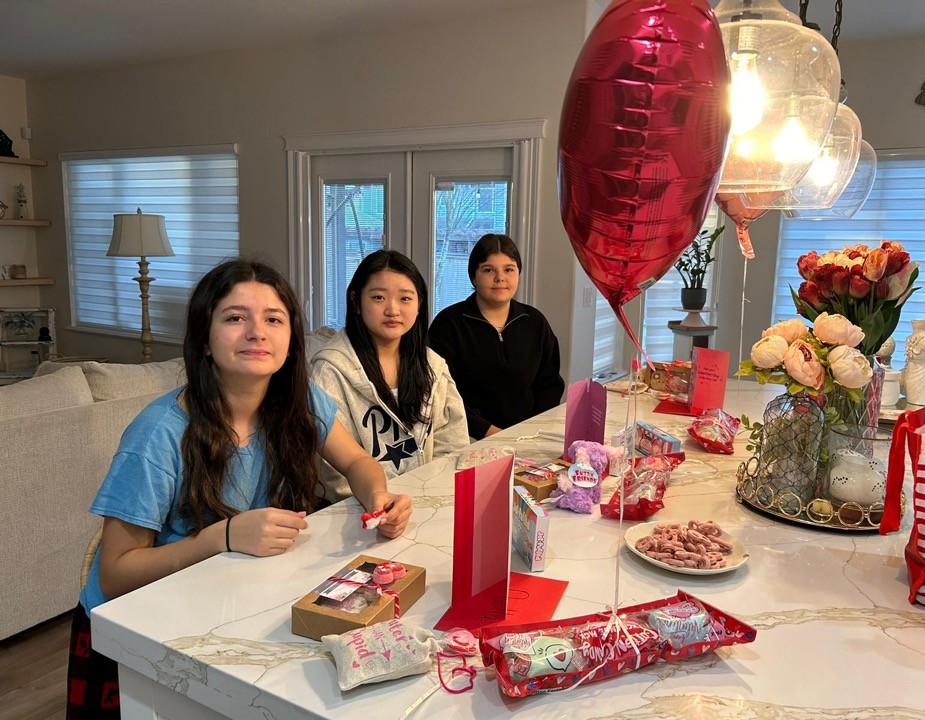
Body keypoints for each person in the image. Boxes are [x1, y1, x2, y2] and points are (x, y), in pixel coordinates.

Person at [66, 259, 411, 719]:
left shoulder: (299, 401)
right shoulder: (159, 433)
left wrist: (377, 497)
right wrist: (221, 538)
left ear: (291, 339)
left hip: (222, 599)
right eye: (234, 317)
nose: (256, 332)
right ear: (204, 340)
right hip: (132, 631)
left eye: (273, 319)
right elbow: (115, 573)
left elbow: (355, 460)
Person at [313, 249, 469, 503]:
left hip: (427, 503)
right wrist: (379, 505)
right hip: (358, 513)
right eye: (378, 297)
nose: (393, 310)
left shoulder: (432, 365)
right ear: (356, 302)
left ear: (420, 305)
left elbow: (452, 441)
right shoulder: (330, 371)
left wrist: (430, 496)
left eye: (405, 298)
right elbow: (330, 472)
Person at [429, 233, 564, 439]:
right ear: (473, 276)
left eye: (509, 269)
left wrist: (530, 429)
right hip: (467, 437)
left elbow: (549, 383)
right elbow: (443, 394)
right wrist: (490, 433)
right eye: (488, 270)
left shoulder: (534, 321)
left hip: (529, 435)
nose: (500, 278)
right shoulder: (449, 324)